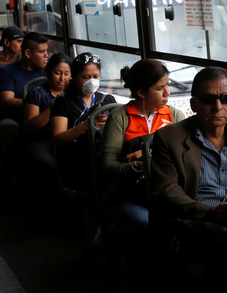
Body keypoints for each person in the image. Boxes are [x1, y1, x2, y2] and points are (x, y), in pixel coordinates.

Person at [150, 66, 227, 227]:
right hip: (196, 222)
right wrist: (211, 212)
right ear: (193, 104)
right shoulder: (169, 138)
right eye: (208, 99)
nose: (218, 107)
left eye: (225, 98)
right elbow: (167, 191)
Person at [100, 58, 184, 230]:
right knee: (155, 224)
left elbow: (186, 158)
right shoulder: (120, 118)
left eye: (167, 85)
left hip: (168, 193)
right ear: (141, 92)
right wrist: (148, 164)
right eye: (160, 88)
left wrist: (147, 154)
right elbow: (108, 167)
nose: (167, 93)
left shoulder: (175, 116)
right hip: (128, 195)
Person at [50, 52, 116, 191]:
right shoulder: (63, 103)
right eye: (85, 77)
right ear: (74, 77)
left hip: (104, 152)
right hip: (76, 158)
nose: (91, 81)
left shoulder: (107, 100)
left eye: (95, 77)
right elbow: (58, 138)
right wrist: (87, 126)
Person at [0, 32, 49, 158]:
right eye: (41, 52)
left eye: (46, 51)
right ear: (28, 54)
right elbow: (7, 100)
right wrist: (34, 104)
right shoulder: (7, 72)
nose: (46, 56)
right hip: (16, 116)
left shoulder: (49, 71)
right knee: (10, 129)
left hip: (45, 114)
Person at [23, 53, 70, 178]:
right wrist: (56, 104)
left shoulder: (73, 95)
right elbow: (32, 126)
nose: (62, 78)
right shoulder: (36, 94)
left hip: (67, 138)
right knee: (52, 166)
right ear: (48, 72)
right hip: (42, 139)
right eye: (58, 73)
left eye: (66, 74)